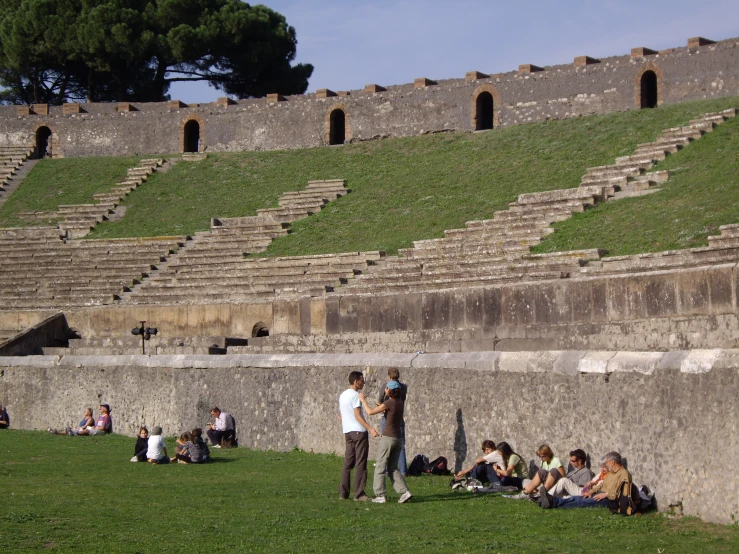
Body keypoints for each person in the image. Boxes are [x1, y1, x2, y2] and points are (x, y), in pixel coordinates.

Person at [362, 380, 412, 504]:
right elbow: (390, 412)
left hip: (388, 438)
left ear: (390, 390)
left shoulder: (389, 402)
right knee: (392, 467)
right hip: (398, 438)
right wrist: (383, 407)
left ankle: (380, 495)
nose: (385, 390)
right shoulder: (399, 402)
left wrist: (363, 400)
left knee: (380, 465)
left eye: (386, 389)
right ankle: (404, 492)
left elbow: (370, 412)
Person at [539, 451, 636, 513]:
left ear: (613, 462)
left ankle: (553, 502)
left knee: (581, 502)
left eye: (607, 462)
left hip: (609, 500)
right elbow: (601, 484)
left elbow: (624, 494)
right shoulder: (611, 473)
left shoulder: (624, 474)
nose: (606, 464)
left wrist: (606, 495)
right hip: (600, 494)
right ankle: (550, 500)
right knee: (576, 498)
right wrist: (591, 491)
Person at [338, 371, 379, 502]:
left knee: (348, 463)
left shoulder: (343, 395)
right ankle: (359, 493)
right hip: (358, 431)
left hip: (348, 431)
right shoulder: (356, 396)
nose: (363, 382)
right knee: (361, 462)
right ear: (356, 382)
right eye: (362, 380)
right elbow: (357, 415)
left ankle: (343, 493)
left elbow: (342, 415)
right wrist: (370, 428)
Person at [377, 368, 408, 475]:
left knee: (386, 443)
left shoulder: (386, 386)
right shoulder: (403, 387)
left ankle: (385, 468)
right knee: (401, 443)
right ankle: (403, 469)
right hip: (399, 416)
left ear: (389, 376)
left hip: (388, 416)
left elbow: (381, 399)